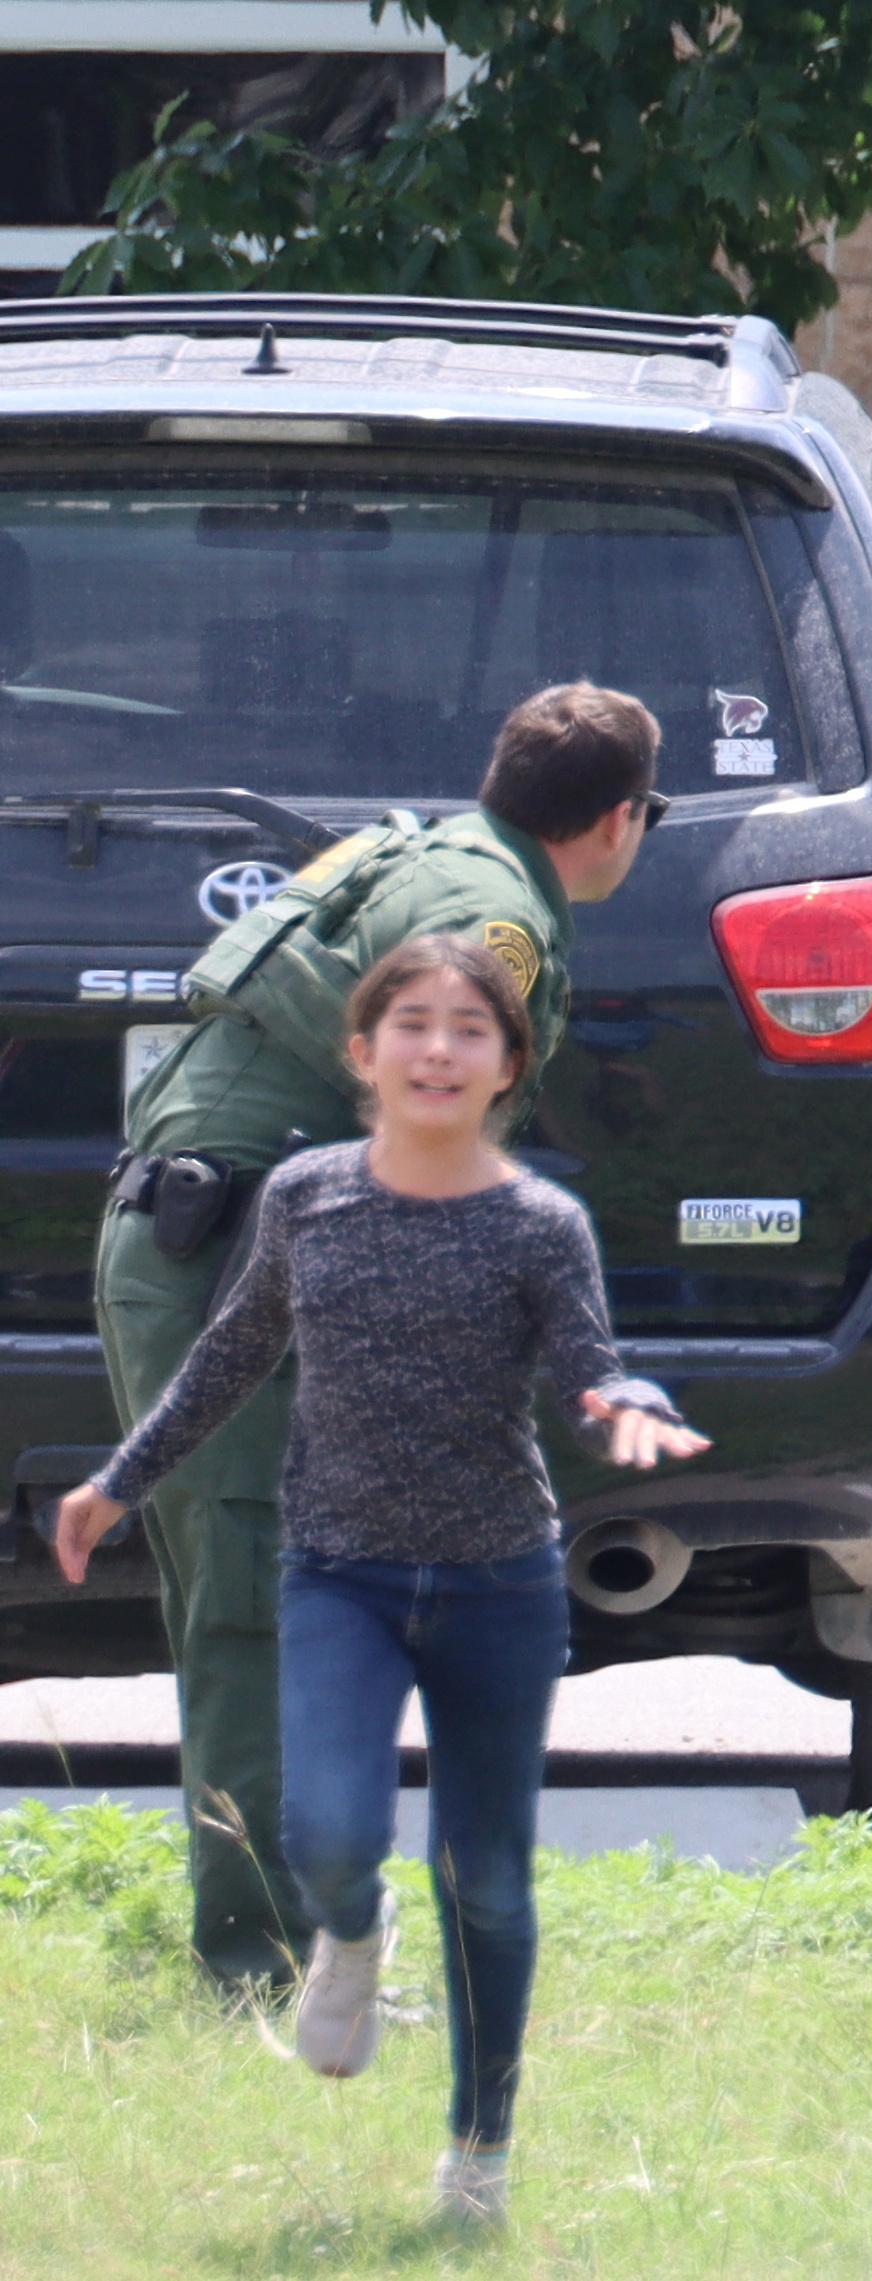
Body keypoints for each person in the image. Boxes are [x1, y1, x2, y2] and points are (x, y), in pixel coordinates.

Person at [58, 933, 709, 2230]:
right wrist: (117, 1480)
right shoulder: (305, 1194)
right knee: (329, 1831)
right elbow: (231, 1349)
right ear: (363, 1053)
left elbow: (591, 1369)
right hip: (341, 1573)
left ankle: (479, 2151)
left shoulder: (540, 1222)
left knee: (492, 1881)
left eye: (470, 1030)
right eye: (411, 1023)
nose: (437, 1048)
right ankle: (349, 1940)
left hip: (498, 1586)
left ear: (508, 1066)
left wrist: (627, 1399)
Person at [97, 682, 664, 1990]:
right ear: (622, 818)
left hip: (200, 1237)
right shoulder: (494, 916)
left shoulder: (410, 845)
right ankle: (264, 1961)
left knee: (265, 1604)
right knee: (260, 1610)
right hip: (240, 1251)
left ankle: (280, 1932)